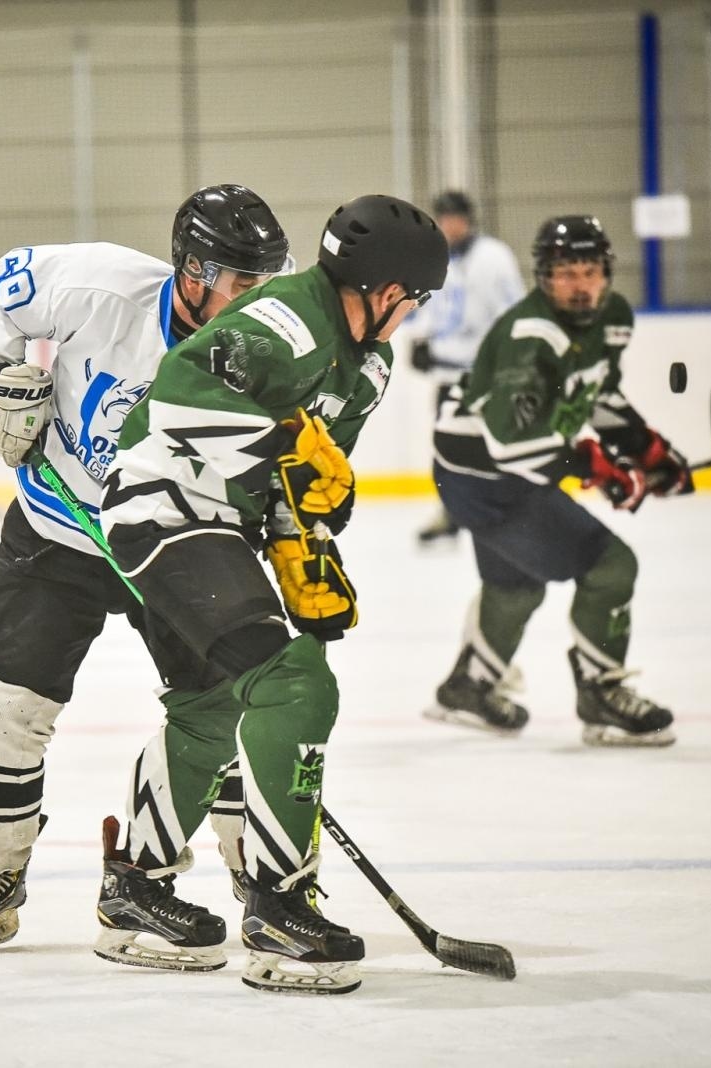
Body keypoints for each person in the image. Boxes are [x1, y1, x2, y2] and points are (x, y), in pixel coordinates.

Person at [98, 195, 449, 995]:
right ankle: (277, 908)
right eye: (415, 300)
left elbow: (307, 481)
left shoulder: (369, 366)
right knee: (294, 684)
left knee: (213, 708)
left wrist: (304, 544)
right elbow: (179, 395)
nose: (413, 316)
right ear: (387, 290)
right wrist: (282, 443)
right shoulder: (288, 320)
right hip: (165, 508)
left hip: (217, 522)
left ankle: (134, 892)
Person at [0, 185, 291, 957]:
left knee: (227, 707)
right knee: (6, 704)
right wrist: (0, 375)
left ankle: (263, 880)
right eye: (243, 281)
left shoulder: (265, 348)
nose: (258, 298)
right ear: (193, 272)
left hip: (179, 542)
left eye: (267, 281)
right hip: (57, 531)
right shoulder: (102, 287)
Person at [425, 215, 687, 746]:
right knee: (610, 566)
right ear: (544, 277)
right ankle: (602, 695)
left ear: (606, 273)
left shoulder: (612, 317)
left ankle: (469, 687)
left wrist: (648, 451)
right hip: (487, 477)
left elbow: (598, 393)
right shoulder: (530, 335)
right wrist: (599, 470)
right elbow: (511, 443)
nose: (580, 285)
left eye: (590, 272)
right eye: (566, 274)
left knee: (517, 583)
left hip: (483, 471)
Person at [392, 190, 526, 544]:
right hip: (449, 376)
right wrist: (421, 340)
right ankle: (450, 511)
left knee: (496, 446)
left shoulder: (494, 257)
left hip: (489, 377)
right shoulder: (433, 257)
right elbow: (427, 306)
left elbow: (514, 310)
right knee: (447, 450)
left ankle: (506, 510)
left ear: (469, 220)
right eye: (445, 218)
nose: (451, 225)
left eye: (456, 218)